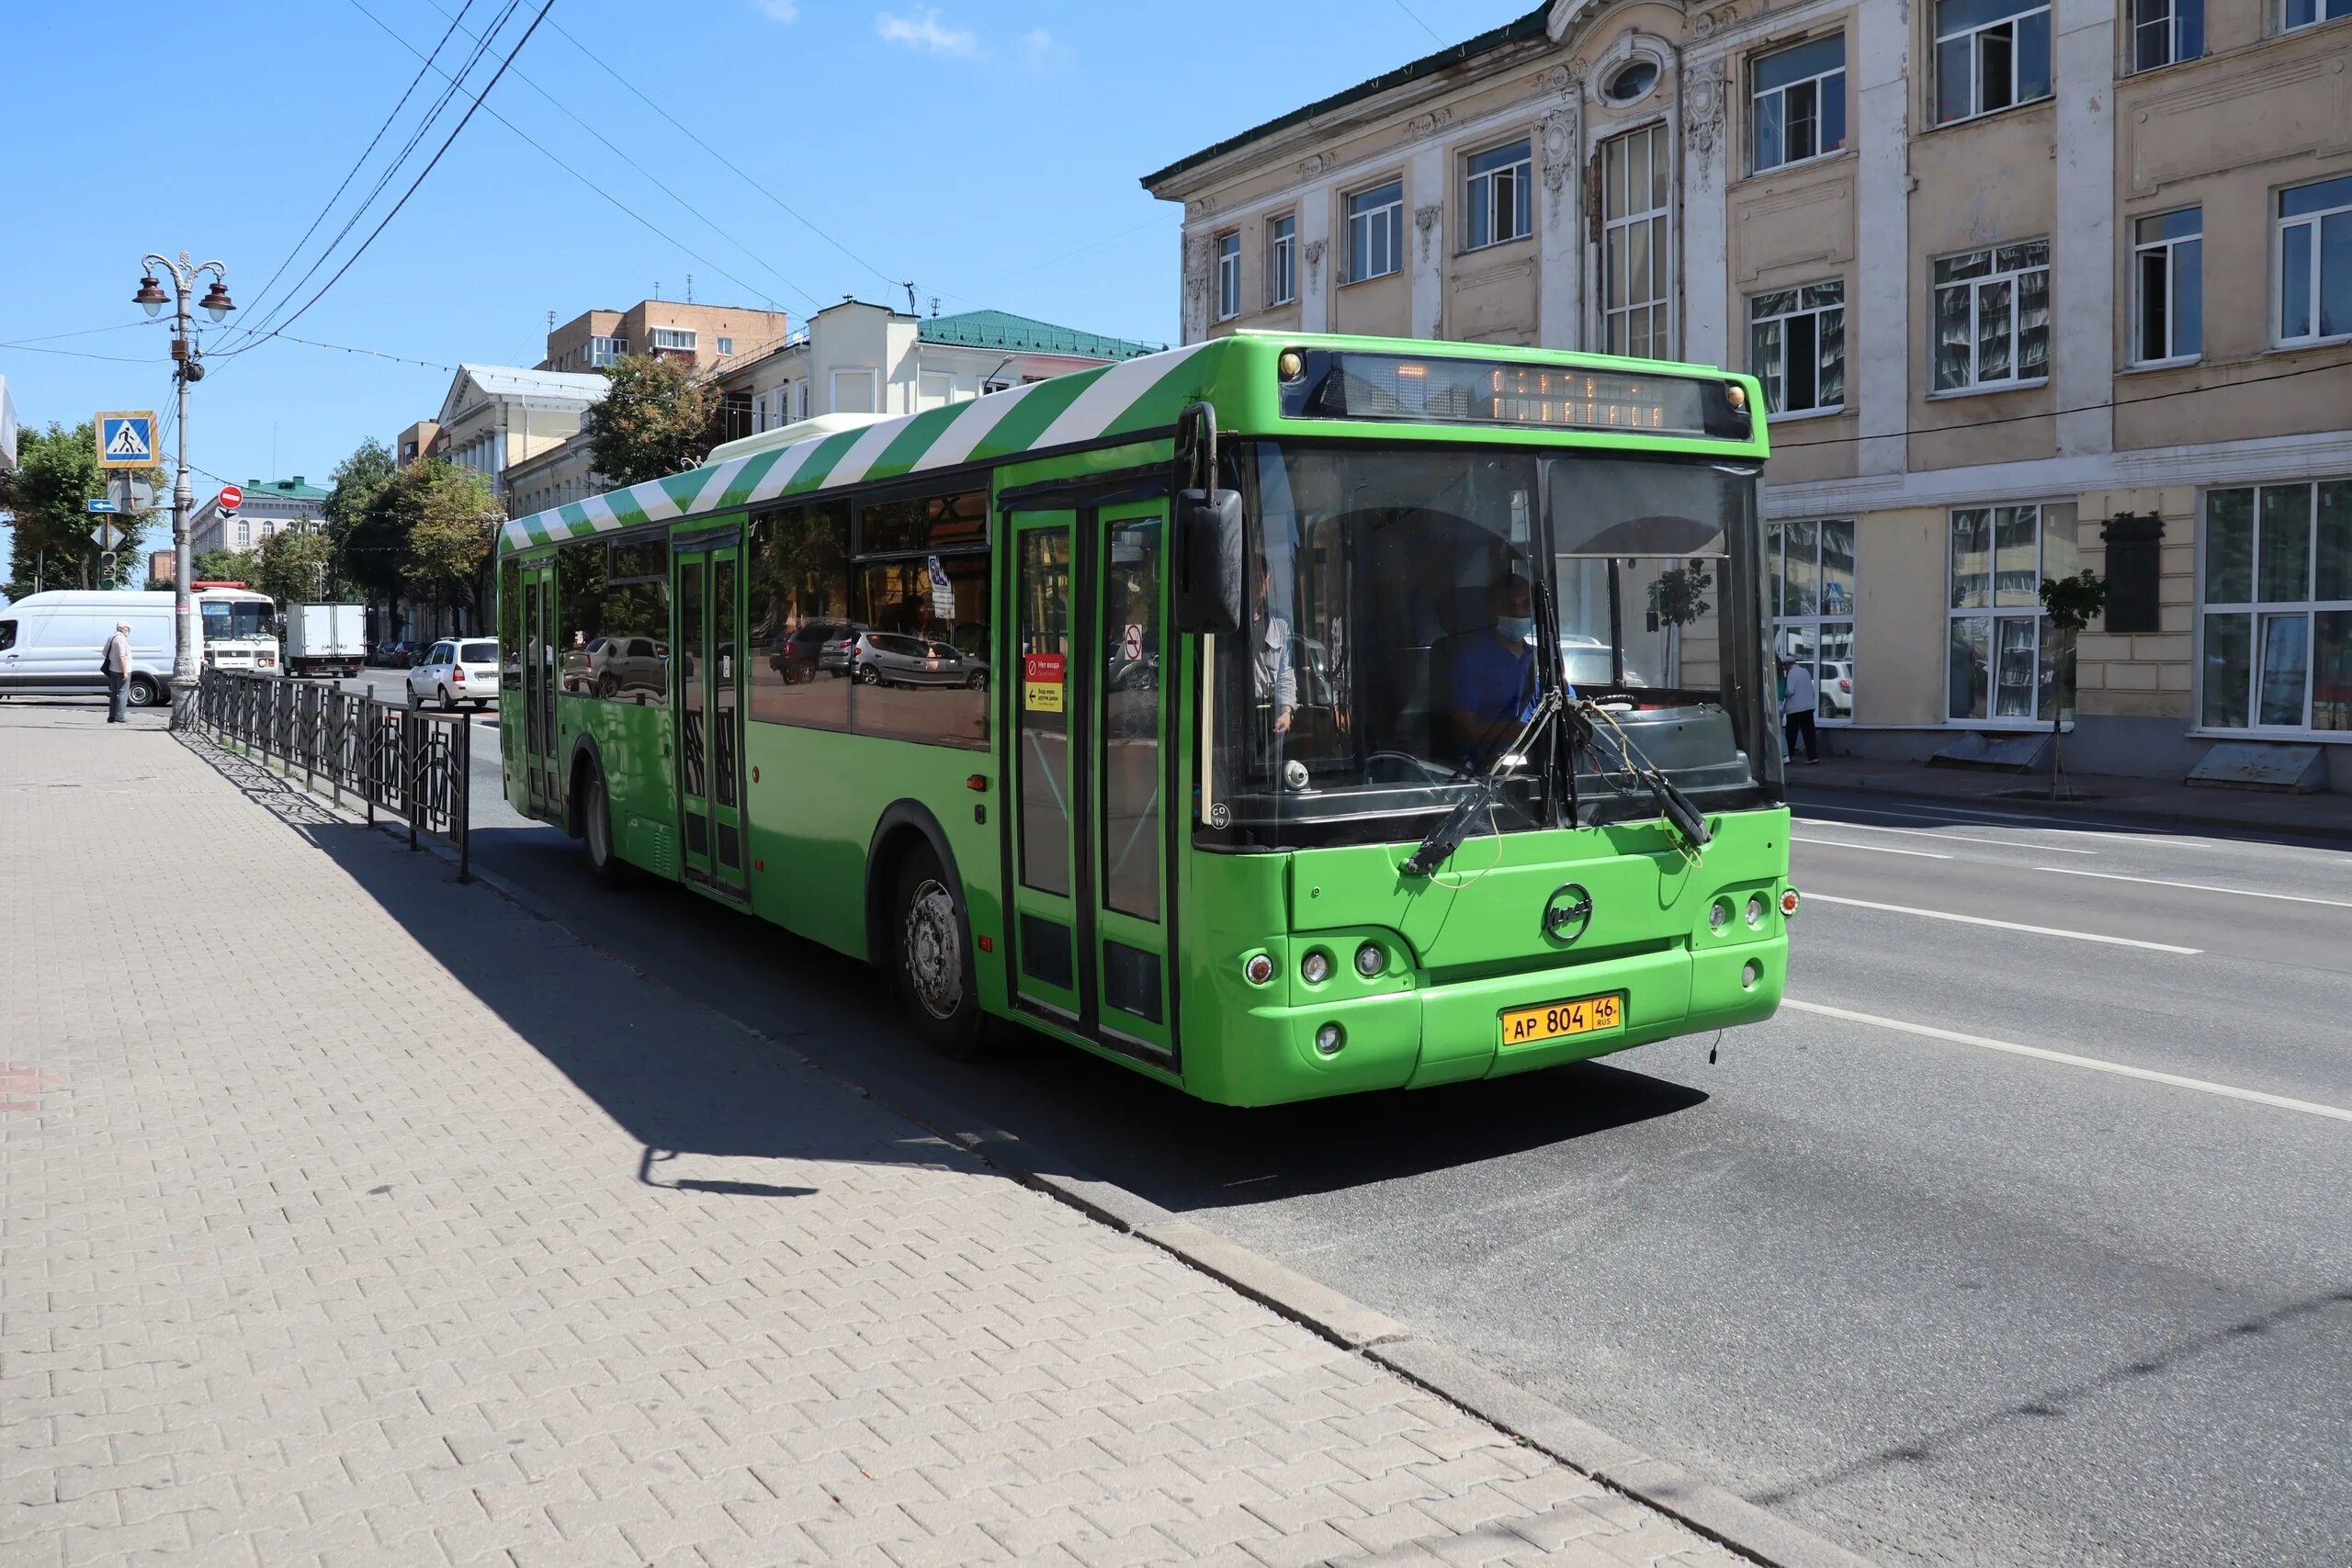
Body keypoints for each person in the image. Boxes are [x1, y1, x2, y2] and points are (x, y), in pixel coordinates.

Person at [1448, 573, 1540, 766]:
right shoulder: (1471, 660)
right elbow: (1466, 728)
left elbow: (1566, 704)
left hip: (1539, 764)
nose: (1517, 611)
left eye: (1525, 603)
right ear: (1491, 609)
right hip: (1482, 771)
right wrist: (1510, 729)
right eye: (1509, 604)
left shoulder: (1542, 658)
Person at [1252, 565, 1296, 737]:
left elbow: (1286, 673)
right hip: (1238, 711)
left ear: (1268, 582)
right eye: (1253, 579)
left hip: (1270, 714)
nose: (1258, 585)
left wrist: (1286, 712)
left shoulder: (1281, 624)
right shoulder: (1235, 624)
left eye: (1261, 580)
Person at [1781, 656, 1820, 764]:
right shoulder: (1805, 671)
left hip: (1795, 709)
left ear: (1788, 664)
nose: (1784, 669)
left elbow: (1790, 691)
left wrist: (1782, 692)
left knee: (1791, 733)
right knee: (1809, 733)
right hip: (1808, 707)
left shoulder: (1792, 673)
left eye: (1784, 666)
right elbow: (1811, 690)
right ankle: (1813, 756)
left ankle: (1788, 755)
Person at [101, 622, 133, 724]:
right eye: (128, 628)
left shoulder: (112, 637)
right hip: (121, 670)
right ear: (122, 628)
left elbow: (104, 652)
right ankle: (119, 717)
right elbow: (121, 656)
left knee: (114, 693)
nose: (129, 630)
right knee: (122, 693)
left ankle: (112, 717)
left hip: (113, 669)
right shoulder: (120, 639)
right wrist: (125, 672)